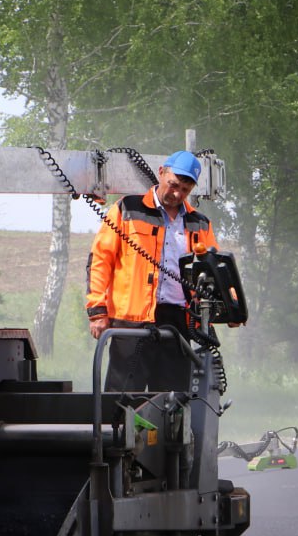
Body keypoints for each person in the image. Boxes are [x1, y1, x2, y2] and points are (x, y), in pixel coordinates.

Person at [86, 150, 218, 390]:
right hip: (131, 321)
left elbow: (216, 272)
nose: (177, 194)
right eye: (173, 185)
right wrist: (97, 311)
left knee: (174, 400)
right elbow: (99, 261)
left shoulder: (200, 223)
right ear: (161, 173)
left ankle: (172, 429)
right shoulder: (127, 209)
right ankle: (118, 429)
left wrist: (230, 309)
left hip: (179, 321)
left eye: (185, 190)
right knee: (122, 399)